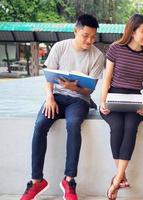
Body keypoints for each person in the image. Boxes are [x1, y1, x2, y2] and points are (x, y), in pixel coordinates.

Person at [20, 14, 104, 200]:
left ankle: (69, 180)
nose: (89, 40)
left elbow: (89, 91)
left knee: (73, 125)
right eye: (85, 35)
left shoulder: (98, 56)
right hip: (56, 96)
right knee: (40, 125)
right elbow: (48, 77)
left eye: (93, 37)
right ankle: (36, 181)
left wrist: (75, 87)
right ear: (75, 31)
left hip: (78, 100)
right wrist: (49, 97)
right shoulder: (60, 47)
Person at [99, 14, 143, 200]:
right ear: (132, 32)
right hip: (113, 96)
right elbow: (107, 79)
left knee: (130, 127)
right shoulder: (116, 48)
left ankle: (116, 181)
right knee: (117, 126)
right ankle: (121, 176)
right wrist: (102, 101)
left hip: (134, 100)